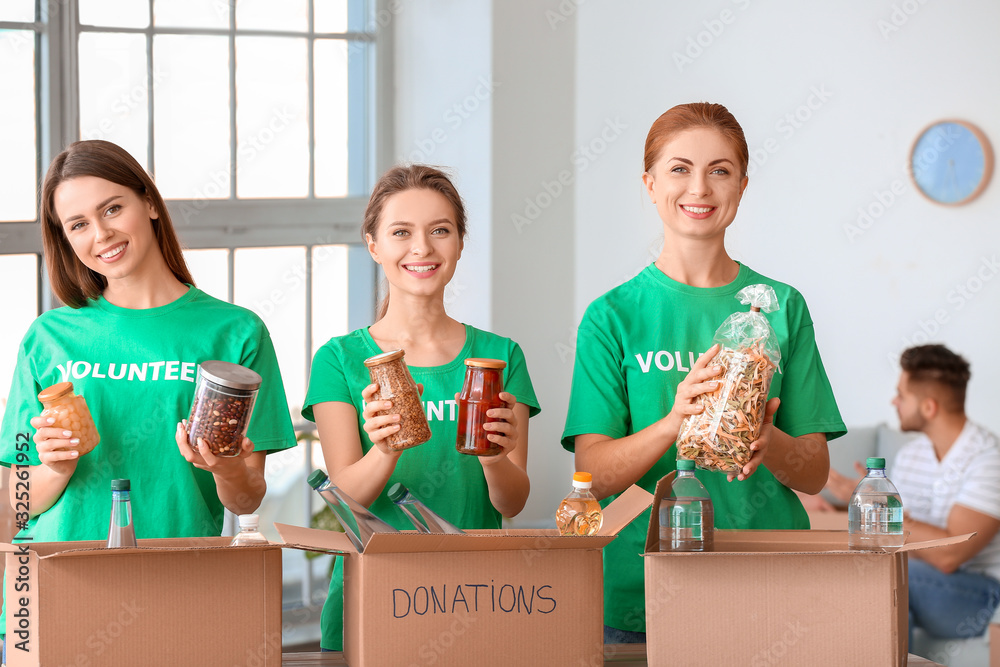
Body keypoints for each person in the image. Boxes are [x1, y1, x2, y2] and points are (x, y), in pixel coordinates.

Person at [562, 102, 846, 643]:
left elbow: (812, 473)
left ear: (741, 186)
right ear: (649, 184)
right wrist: (674, 422)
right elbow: (591, 479)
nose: (700, 188)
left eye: (720, 170)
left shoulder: (780, 308)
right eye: (679, 169)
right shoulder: (612, 315)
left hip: (766, 578)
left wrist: (768, 439)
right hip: (643, 588)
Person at [0, 140, 296, 650]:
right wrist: (53, 468)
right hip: (53, 588)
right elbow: (18, 500)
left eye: (112, 208)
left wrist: (224, 467)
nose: (102, 234)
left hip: (174, 585)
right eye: (78, 224)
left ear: (150, 203)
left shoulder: (234, 333)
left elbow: (248, 495)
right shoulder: (49, 337)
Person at [302, 164, 540, 652]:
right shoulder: (340, 360)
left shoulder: (498, 359)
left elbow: (511, 503)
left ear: (458, 242)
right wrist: (384, 450)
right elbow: (344, 503)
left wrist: (495, 456)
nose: (422, 248)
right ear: (374, 246)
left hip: (476, 596)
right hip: (373, 595)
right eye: (401, 233)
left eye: (440, 231)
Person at [828, 344, 1000, 644]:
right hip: (918, 577)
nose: (894, 401)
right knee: (888, 604)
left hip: (979, 593)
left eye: (902, 395)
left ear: (928, 407)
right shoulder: (911, 455)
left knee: (881, 577)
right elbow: (899, 535)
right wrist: (835, 513)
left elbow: (949, 555)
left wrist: (874, 509)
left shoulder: (988, 460)